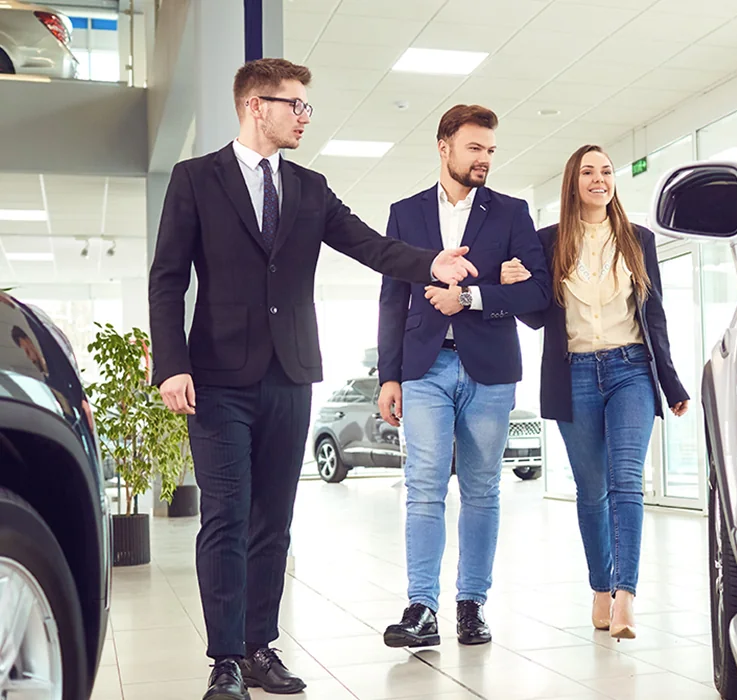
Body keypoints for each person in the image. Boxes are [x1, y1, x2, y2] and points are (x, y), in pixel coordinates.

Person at [147, 58, 477, 700]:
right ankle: (224, 662)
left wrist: (429, 263)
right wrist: (171, 363)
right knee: (225, 517)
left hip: (290, 374)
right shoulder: (195, 180)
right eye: (293, 104)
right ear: (254, 106)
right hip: (215, 376)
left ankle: (258, 645)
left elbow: (369, 245)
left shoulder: (309, 187)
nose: (303, 116)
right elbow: (168, 278)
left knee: (274, 517)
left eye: (306, 105)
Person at [376, 104, 551, 650]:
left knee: (481, 488)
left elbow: (536, 293)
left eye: (491, 150)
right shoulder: (405, 214)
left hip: (490, 369)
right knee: (424, 485)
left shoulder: (512, 213)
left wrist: (472, 295)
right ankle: (421, 608)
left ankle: (471, 604)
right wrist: (389, 376)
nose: (485, 159)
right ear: (444, 146)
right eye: (475, 148)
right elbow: (391, 298)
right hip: (424, 367)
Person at [505, 144, 690, 639]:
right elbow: (535, 315)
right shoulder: (547, 242)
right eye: (588, 172)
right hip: (574, 373)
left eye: (606, 171)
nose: (599, 179)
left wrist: (669, 382)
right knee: (592, 490)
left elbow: (655, 316)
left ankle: (626, 595)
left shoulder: (638, 239)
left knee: (627, 478)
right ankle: (601, 588)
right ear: (573, 183)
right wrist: (518, 284)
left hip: (630, 367)